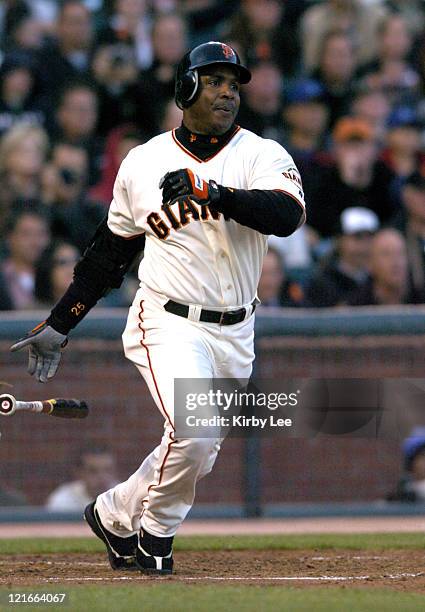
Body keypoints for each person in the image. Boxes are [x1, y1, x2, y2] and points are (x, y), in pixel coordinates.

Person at [10, 41, 306, 575]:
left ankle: (114, 512)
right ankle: (156, 536)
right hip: (167, 319)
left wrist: (213, 192)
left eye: (233, 84)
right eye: (213, 81)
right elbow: (109, 255)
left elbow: (284, 216)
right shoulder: (144, 161)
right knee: (193, 433)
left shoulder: (262, 153)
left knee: (199, 450)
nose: (226, 93)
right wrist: (60, 322)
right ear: (185, 88)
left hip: (238, 328)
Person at [306, 207, 379, 307]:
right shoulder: (323, 282)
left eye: (369, 238)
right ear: (339, 240)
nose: (364, 247)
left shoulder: (379, 278)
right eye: (357, 237)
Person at [348, 227, 424, 305]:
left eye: (400, 253)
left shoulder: (421, 301)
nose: (395, 261)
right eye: (386, 254)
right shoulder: (354, 307)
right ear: (370, 264)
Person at [46, 446, 119, 512]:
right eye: (93, 471)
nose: (102, 477)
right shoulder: (63, 500)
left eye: (108, 470)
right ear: (80, 473)